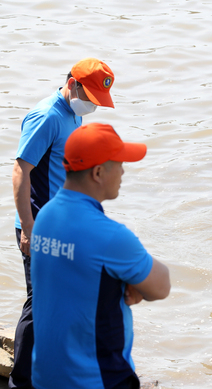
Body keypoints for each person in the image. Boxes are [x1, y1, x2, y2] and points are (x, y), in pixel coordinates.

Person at [30, 123, 171, 389]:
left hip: (45, 376)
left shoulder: (45, 217)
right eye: (119, 163)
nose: (123, 170)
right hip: (96, 379)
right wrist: (134, 283)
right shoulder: (109, 236)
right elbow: (161, 286)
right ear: (98, 172)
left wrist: (123, 281)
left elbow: (77, 274)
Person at [10, 58, 116, 389]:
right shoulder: (47, 117)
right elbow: (20, 172)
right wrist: (28, 228)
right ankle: (22, 382)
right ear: (72, 85)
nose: (93, 106)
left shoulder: (74, 113)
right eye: (91, 98)